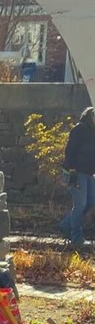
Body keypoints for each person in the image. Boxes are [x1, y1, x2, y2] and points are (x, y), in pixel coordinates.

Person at [58, 106, 95, 247]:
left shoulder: (93, 132)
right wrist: (71, 170)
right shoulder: (79, 129)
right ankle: (77, 238)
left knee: (91, 201)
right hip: (77, 172)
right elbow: (70, 150)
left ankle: (65, 224)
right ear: (90, 116)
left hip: (89, 173)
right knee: (80, 205)